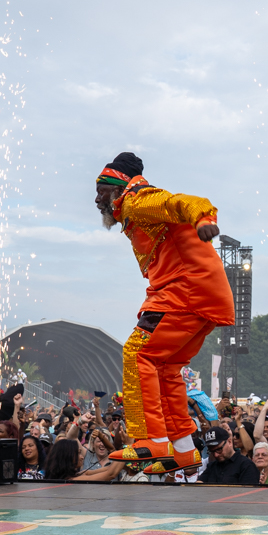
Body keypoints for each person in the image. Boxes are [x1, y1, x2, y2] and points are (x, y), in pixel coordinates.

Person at [94, 151, 235, 475]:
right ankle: (183, 451)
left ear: (117, 187)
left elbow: (182, 202)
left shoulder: (137, 201)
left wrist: (204, 218)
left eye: (101, 190)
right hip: (200, 296)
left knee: (137, 354)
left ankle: (151, 439)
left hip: (183, 294)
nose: (97, 199)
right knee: (166, 368)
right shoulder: (133, 209)